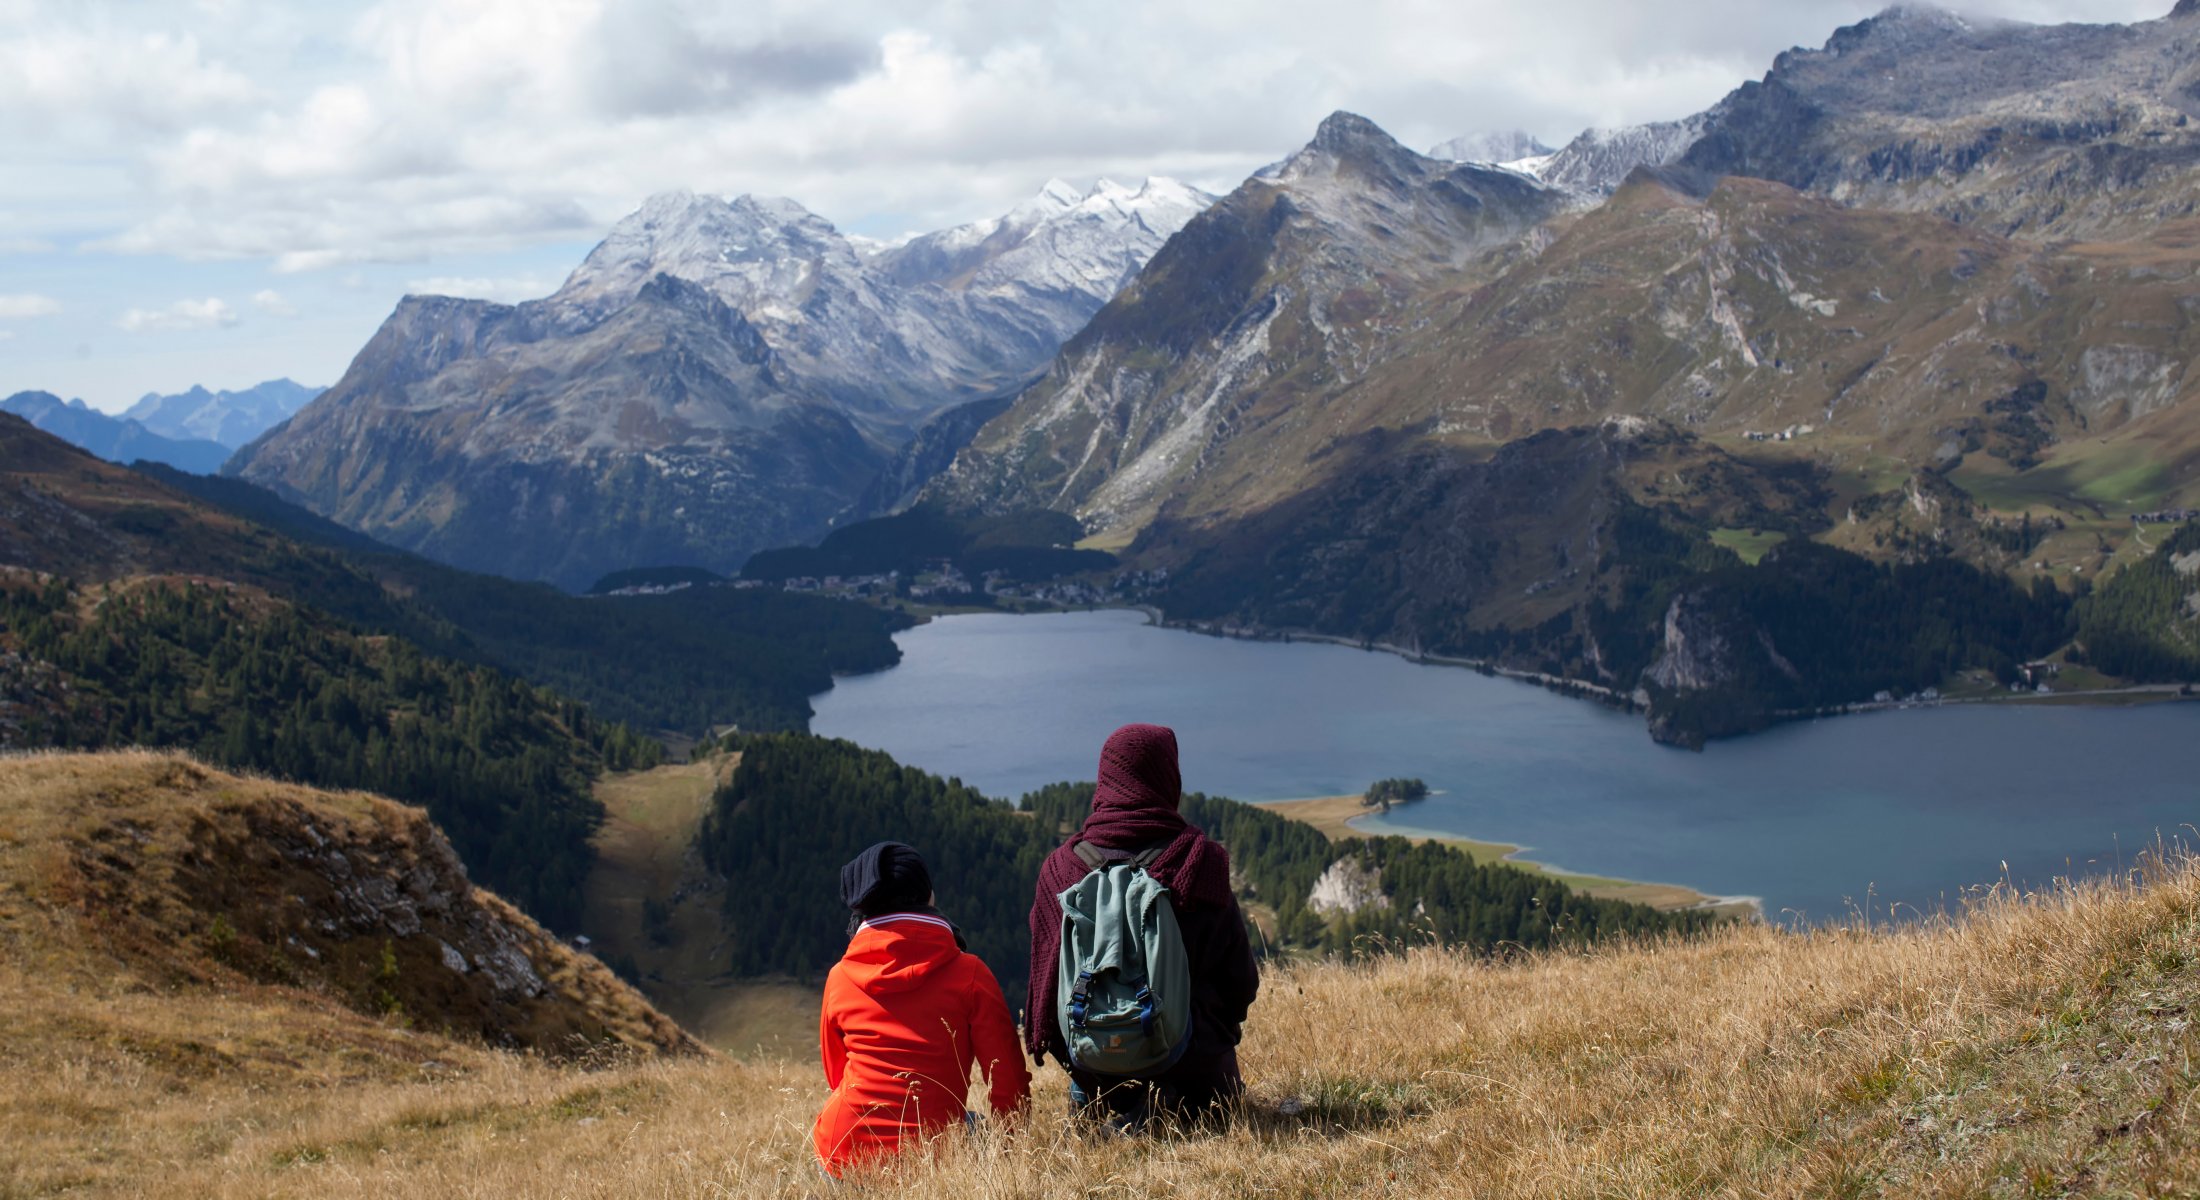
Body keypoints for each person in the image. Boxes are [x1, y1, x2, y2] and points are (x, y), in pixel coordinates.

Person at [1026, 723, 1259, 1128]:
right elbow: (1240, 982)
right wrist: (1212, 1041)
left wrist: (1087, 1060)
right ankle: (1174, 1102)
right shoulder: (1199, 862)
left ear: (1106, 778)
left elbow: (1044, 993)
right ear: (1169, 777)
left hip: (1094, 1071)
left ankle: (1101, 1105)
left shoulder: (1060, 869)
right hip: (1196, 1072)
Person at [814, 841, 1030, 1179]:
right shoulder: (970, 973)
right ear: (928, 897)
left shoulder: (839, 977)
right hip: (934, 1157)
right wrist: (1011, 1153)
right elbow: (1007, 1078)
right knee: (976, 1126)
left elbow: (835, 1074)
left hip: (844, 1154)